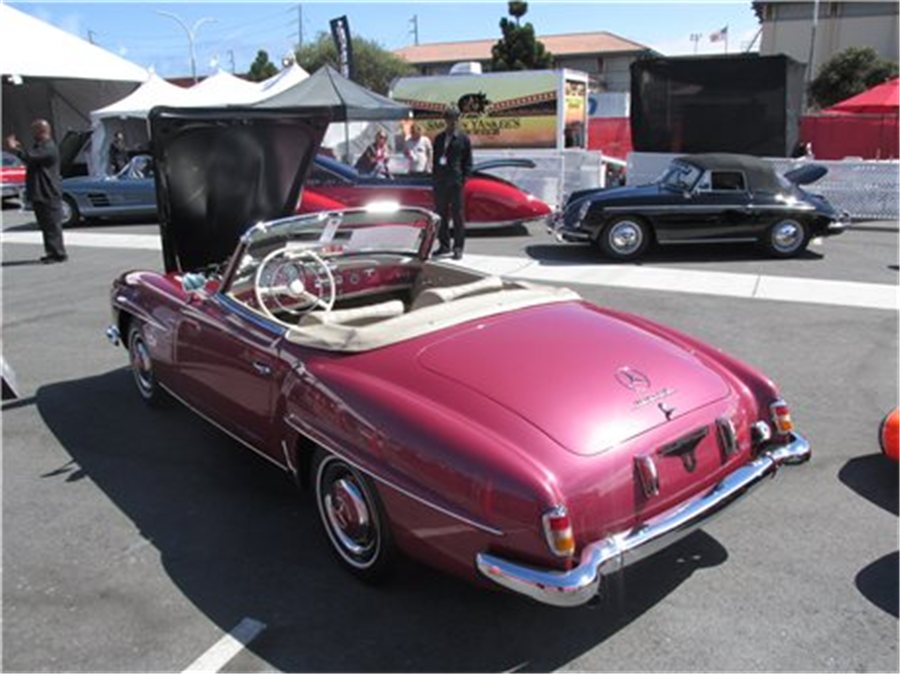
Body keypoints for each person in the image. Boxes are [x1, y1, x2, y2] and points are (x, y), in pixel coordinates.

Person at [5, 119, 67, 263]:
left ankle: (58, 253)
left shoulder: (48, 147)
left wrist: (15, 149)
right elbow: (31, 156)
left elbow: (30, 157)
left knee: (52, 224)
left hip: (48, 191)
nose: (32, 133)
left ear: (41, 131)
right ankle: (52, 251)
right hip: (41, 191)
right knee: (46, 224)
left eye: (34, 131)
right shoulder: (41, 146)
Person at [432, 106, 472, 260]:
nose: (452, 122)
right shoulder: (439, 138)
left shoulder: (463, 138)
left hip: (456, 182)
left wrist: (463, 179)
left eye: (455, 119)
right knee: (441, 214)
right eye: (449, 119)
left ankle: (458, 247)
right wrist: (435, 179)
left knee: (457, 215)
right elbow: (435, 161)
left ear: (458, 120)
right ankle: (444, 245)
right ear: (445, 121)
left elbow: (468, 162)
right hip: (440, 182)